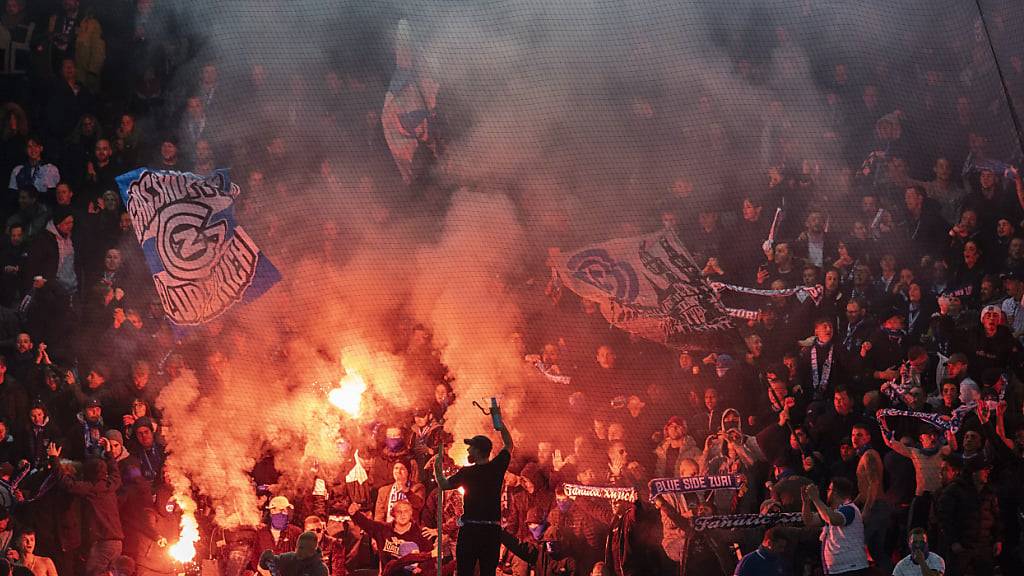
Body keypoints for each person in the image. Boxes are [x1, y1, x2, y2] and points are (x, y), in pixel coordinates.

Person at [434, 400, 513, 576]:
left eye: (471, 447)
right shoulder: (497, 467)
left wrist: (437, 468)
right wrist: (498, 420)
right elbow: (509, 445)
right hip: (491, 531)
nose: (468, 450)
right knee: (487, 572)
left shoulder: (467, 473)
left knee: (465, 572)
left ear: (478, 450)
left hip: (470, 532)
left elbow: (444, 484)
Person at [801, 478, 868, 576]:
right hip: (838, 570)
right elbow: (809, 521)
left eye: (829, 489)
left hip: (851, 568)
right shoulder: (832, 511)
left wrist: (816, 499)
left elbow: (834, 520)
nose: (827, 492)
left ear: (835, 492)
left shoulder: (849, 509)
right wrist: (806, 502)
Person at [258, 531, 327, 576]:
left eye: (306, 548)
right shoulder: (289, 558)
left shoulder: (320, 569)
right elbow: (265, 562)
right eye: (300, 547)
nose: (302, 551)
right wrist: (268, 559)